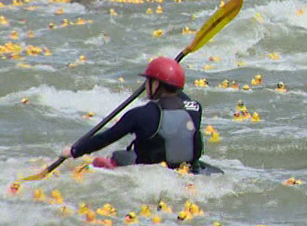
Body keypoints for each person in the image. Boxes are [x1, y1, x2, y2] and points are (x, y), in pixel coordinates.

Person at [59, 57, 205, 172]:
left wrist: (74, 151)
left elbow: (106, 138)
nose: (145, 86)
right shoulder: (196, 108)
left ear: (156, 84)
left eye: (148, 81)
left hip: (149, 171)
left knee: (117, 156)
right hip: (186, 169)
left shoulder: (140, 115)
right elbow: (179, 101)